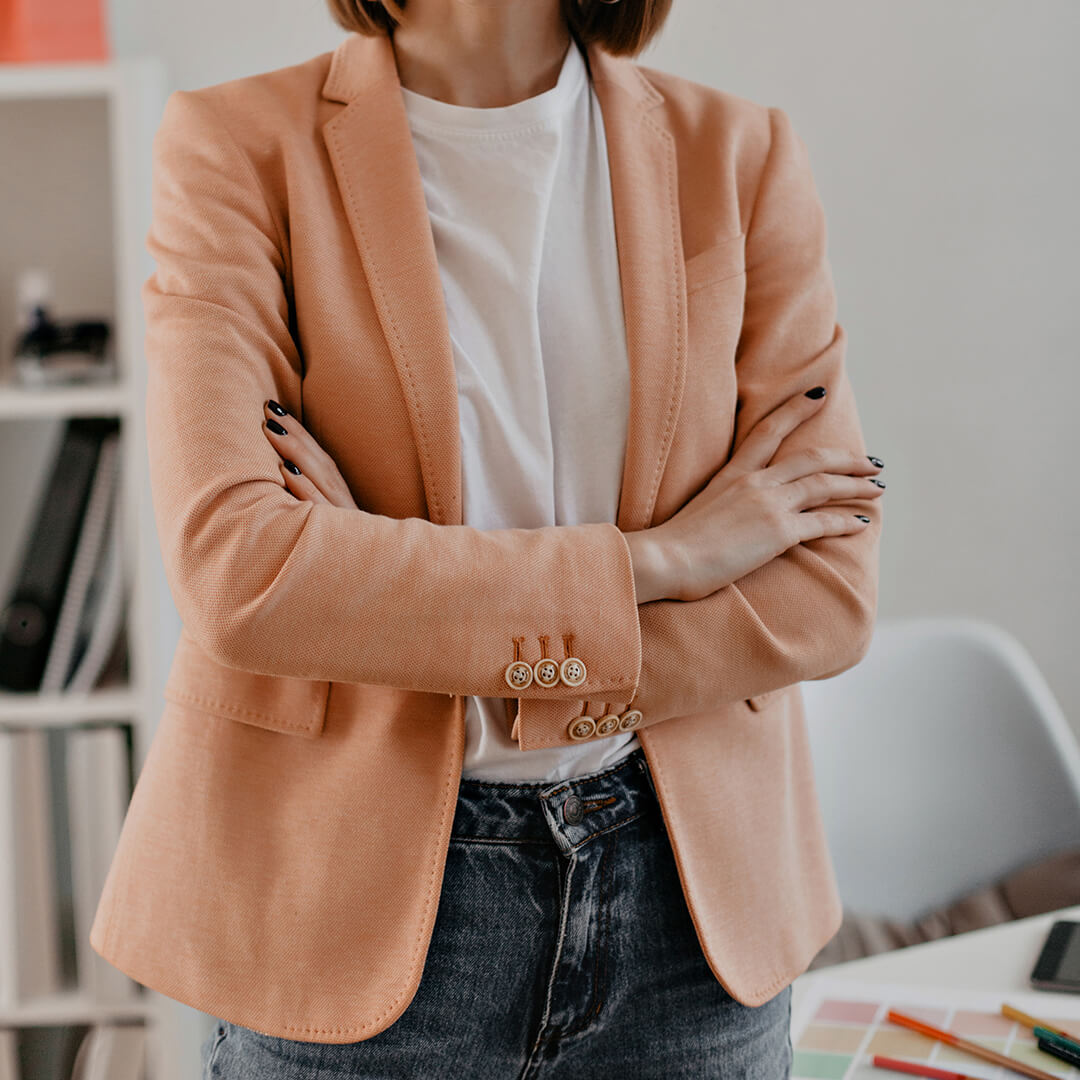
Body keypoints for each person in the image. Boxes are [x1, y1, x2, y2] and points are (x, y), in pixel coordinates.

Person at [89, 0, 885, 1075]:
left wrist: (419, 603)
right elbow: (243, 572)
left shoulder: (739, 154)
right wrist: (666, 559)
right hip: (352, 909)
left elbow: (823, 592)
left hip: (688, 917)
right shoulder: (239, 145)